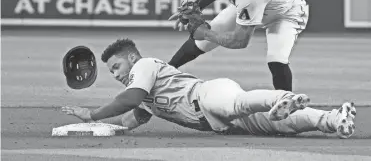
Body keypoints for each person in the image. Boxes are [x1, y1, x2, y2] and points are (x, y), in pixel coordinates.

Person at [61, 39, 356, 139]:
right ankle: (334, 119)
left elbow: (130, 99)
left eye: (116, 67)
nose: (115, 74)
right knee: (284, 126)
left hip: (206, 95)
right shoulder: (142, 92)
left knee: (238, 103)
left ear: (131, 59)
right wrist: (105, 126)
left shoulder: (144, 67)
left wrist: (93, 114)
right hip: (218, 123)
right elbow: (131, 118)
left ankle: (283, 97)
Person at [168, 0, 309, 92]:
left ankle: (287, 104)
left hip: (287, 14)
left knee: (276, 58)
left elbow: (240, 41)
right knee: (203, 40)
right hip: (260, 2)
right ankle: (165, 73)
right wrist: (197, 5)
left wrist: (205, 33)